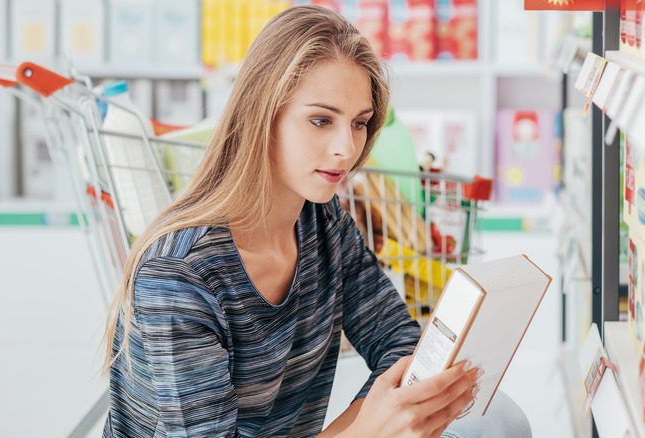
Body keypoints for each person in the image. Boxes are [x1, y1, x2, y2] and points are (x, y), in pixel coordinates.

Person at [102, 5, 531, 437]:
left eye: (359, 123)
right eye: (321, 120)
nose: (346, 148)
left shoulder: (321, 221)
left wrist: (378, 423)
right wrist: (367, 432)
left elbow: (398, 342)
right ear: (261, 115)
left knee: (499, 420)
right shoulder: (179, 274)